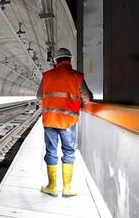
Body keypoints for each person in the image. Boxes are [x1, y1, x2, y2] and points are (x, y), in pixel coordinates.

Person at [36, 47, 93, 197]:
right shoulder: (77, 76)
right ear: (70, 60)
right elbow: (87, 98)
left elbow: (39, 96)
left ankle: (52, 186)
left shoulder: (47, 76)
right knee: (68, 151)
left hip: (50, 120)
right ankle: (67, 188)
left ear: (55, 61)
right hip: (68, 121)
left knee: (51, 151)